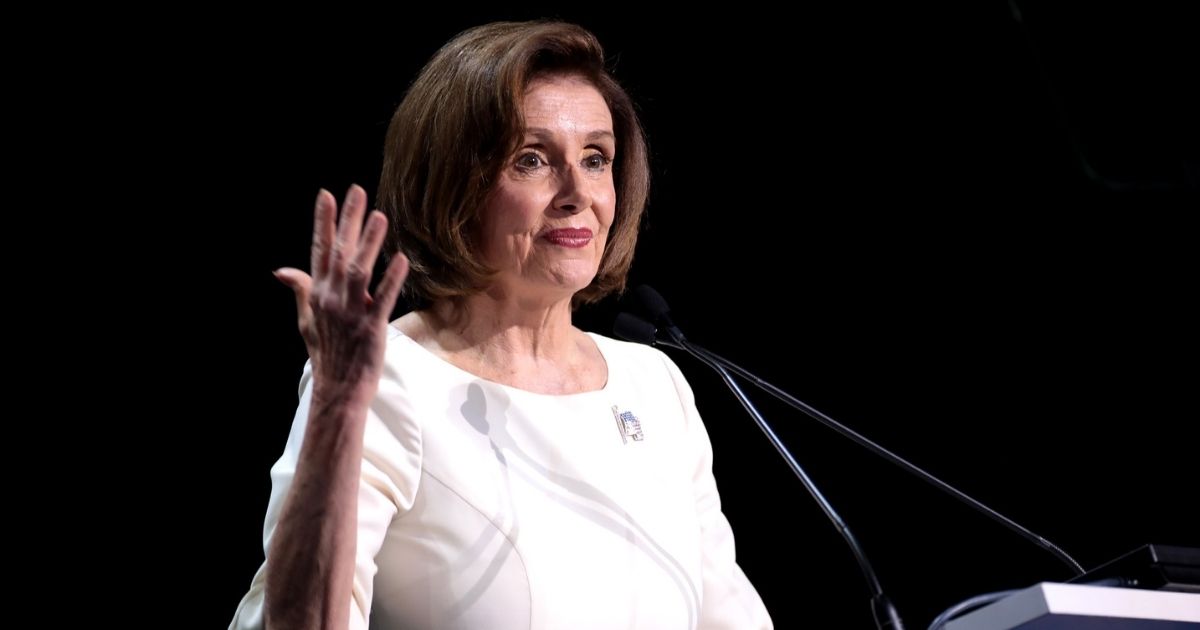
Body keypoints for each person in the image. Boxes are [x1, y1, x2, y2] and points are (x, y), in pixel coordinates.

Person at [230, 20, 773, 630]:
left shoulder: (654, 384)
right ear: (455, 184)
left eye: (596, 159)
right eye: (532, 159)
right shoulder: (386, 377)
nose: (576, 193)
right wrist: (335, 407)